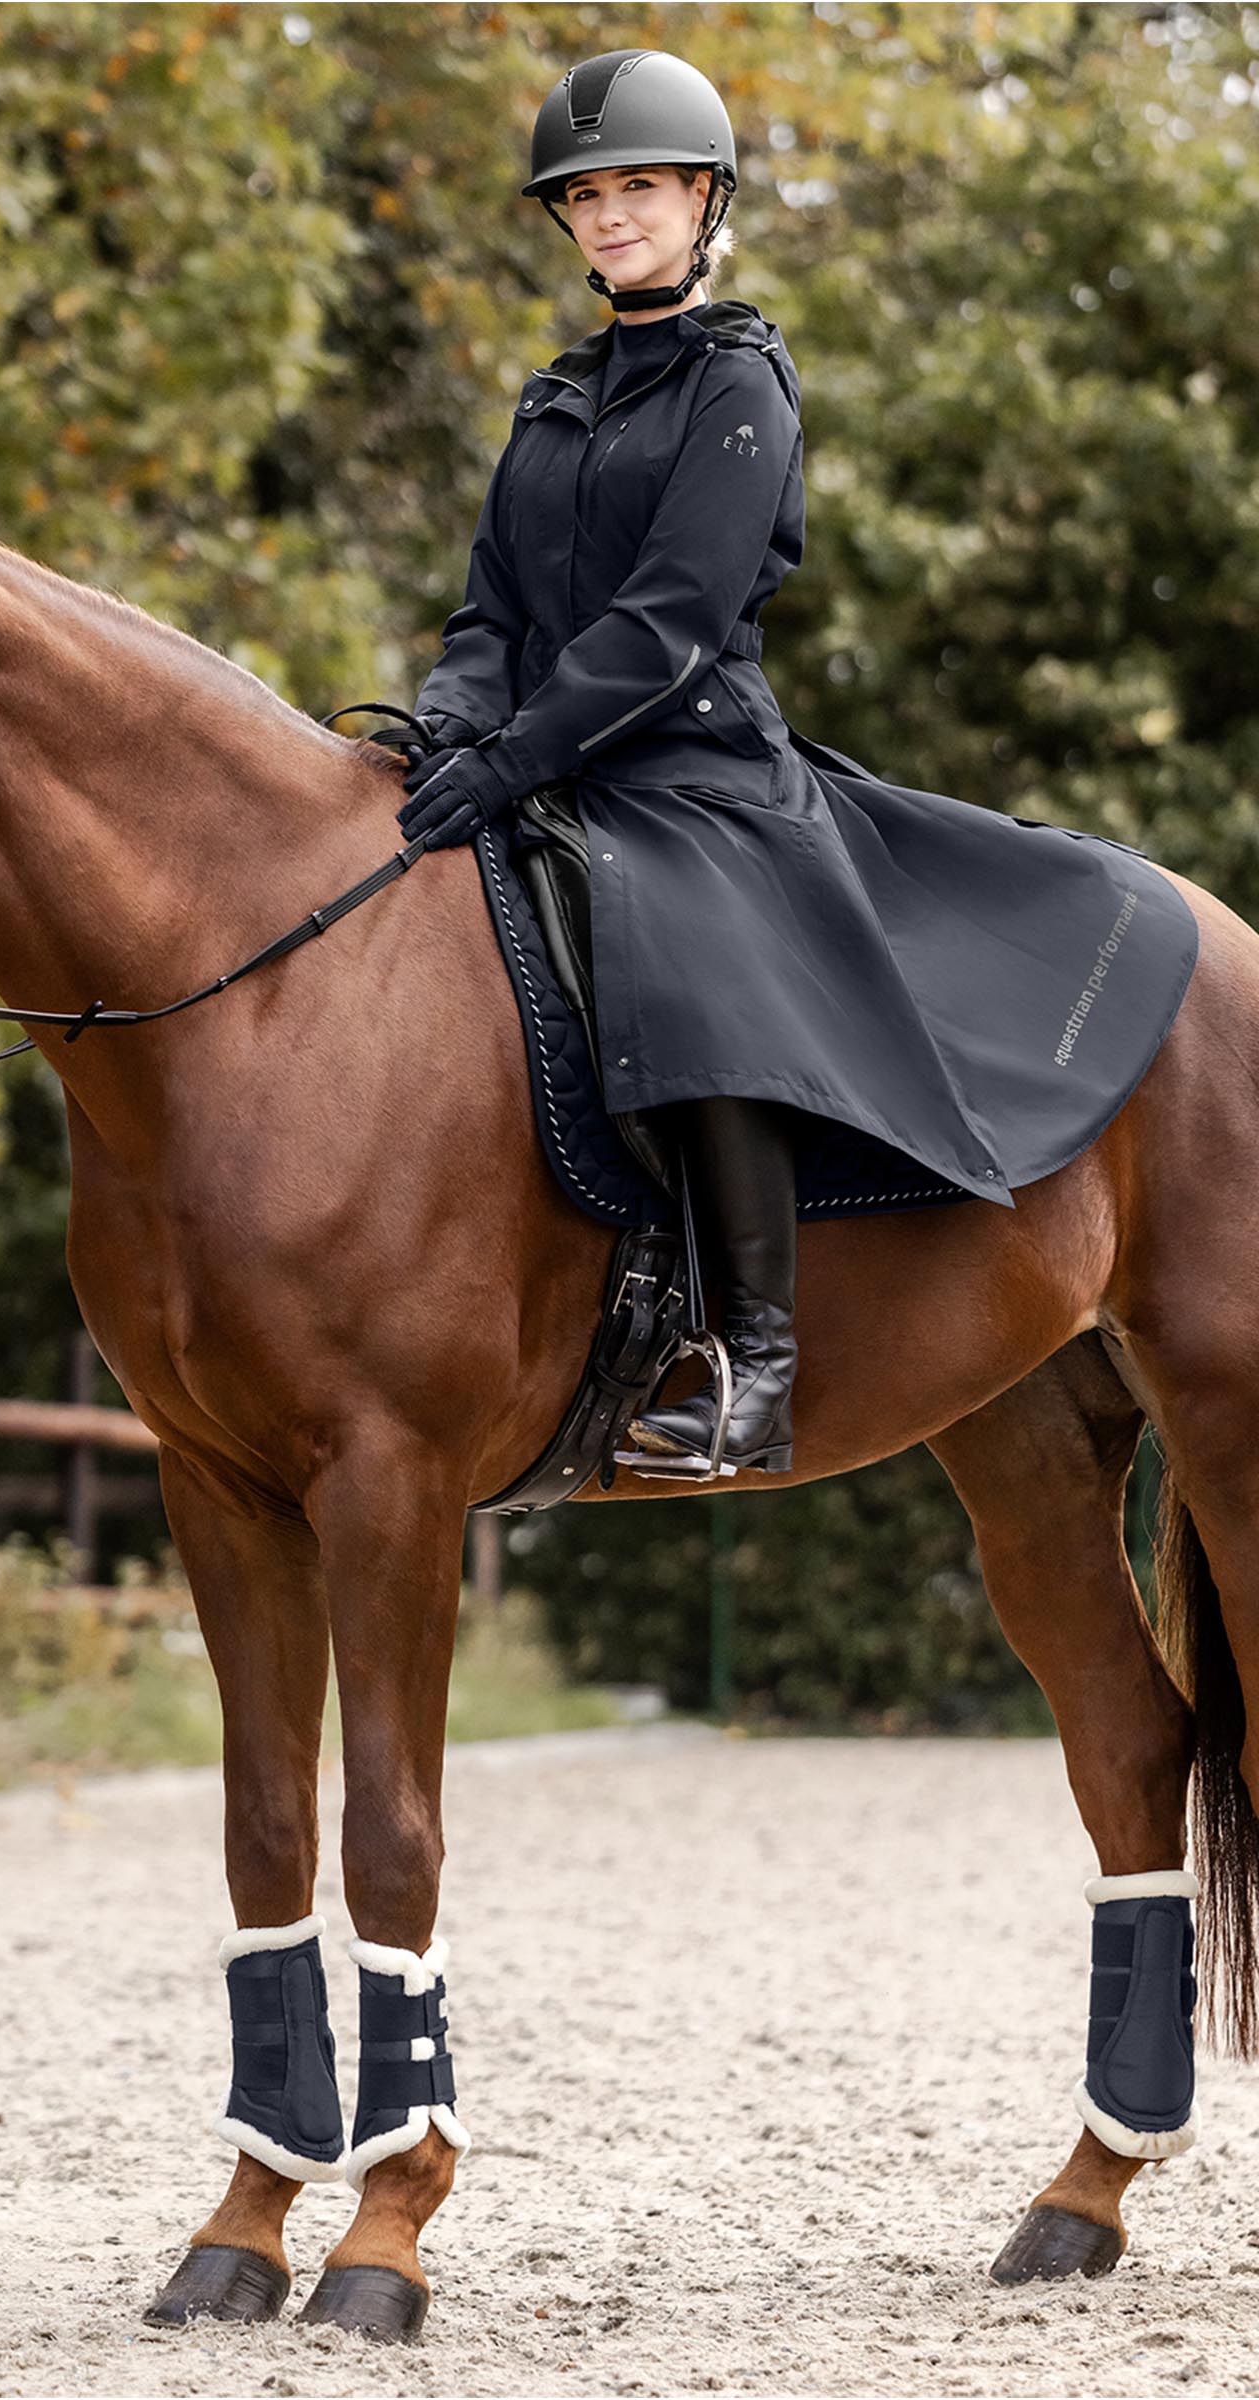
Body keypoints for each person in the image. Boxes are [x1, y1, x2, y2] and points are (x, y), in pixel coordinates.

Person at [395, 47, 1197, 1480]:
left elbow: (672, 623)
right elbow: (492, 610)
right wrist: (452, 725)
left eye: (637, 187)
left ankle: (751, 1357)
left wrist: (515, 751)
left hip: (698, 773)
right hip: (546, 763)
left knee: (693, 959)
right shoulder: (553, 400)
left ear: (703, 201)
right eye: (583, 197)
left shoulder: (740, 382)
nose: (608, 216)